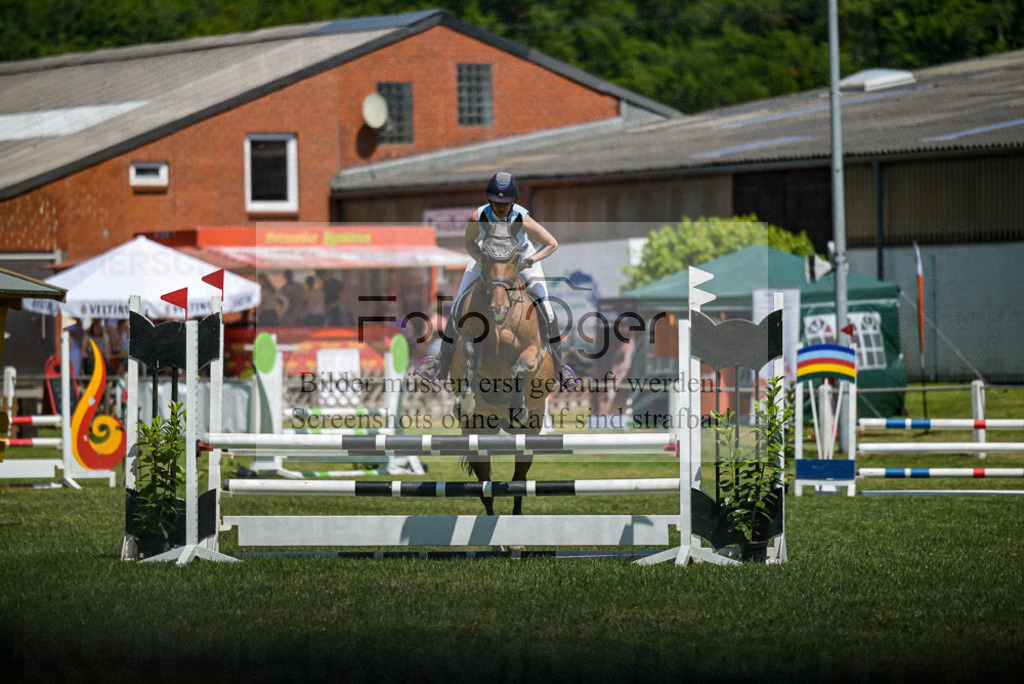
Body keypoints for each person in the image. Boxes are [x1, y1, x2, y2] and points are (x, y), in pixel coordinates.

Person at [416, 172, 577, 387]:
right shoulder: (479, 216)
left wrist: (528, 262)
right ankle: (440, 362)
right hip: (487, 258)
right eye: (496, 203)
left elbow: (551, 243)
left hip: (522, 259)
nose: (500, 208)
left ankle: (560, 367)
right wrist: (482, 261)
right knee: (458, 304)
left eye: (505, 203)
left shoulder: (521, 218)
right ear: (490, 200)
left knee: (546, 307)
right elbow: (469, 243)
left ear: (513, 202)